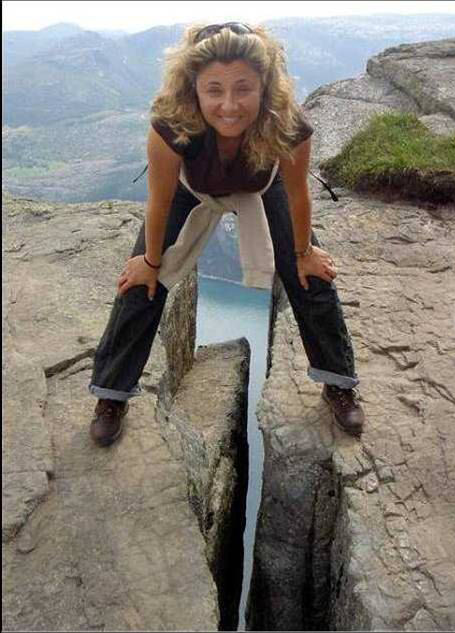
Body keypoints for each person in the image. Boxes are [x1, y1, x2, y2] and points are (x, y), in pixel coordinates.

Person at [88, 22, 365, 446]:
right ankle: (111, 394)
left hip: (263, 182)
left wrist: (305, 252)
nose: (229, 105)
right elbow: (159, 203)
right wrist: (149, 261)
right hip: (190, 188)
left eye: (243, 88)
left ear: (265, 86)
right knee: (140, 281)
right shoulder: (171, 125)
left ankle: (338, 382)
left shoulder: (285, 124)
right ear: (193, 89)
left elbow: (296, 196)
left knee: (311, 274)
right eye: (214, 89)